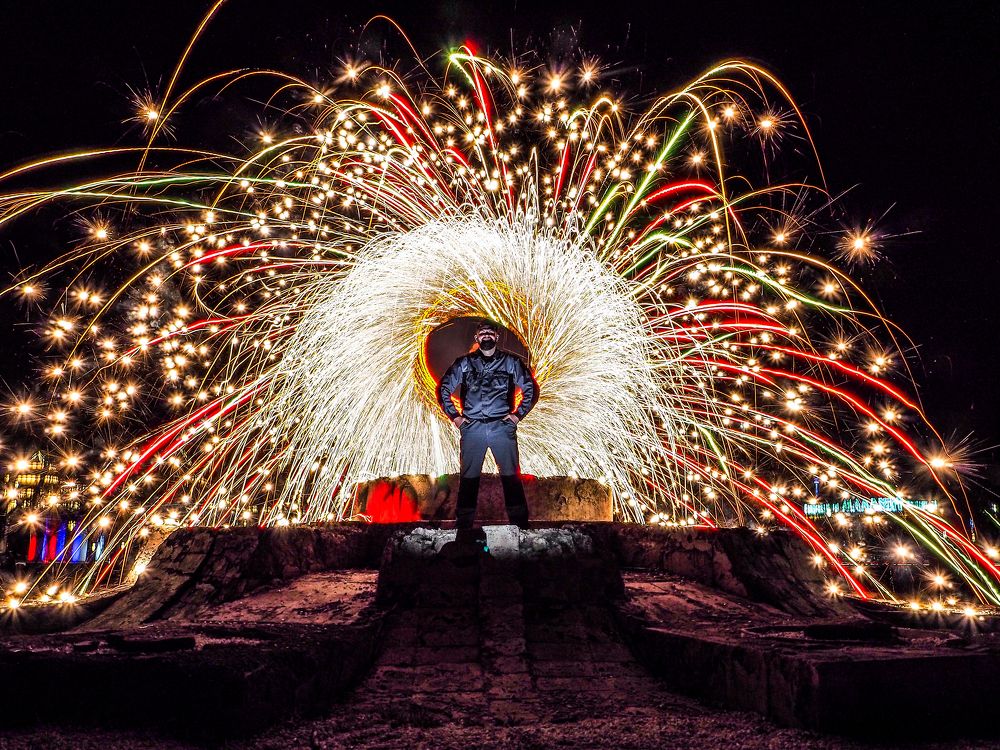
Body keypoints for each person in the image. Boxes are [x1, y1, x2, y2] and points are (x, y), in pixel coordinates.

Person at [437, 321, 538, 532]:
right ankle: (463, 528)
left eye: (490, 333)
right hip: (472, 429)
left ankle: (520, 526)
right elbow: (444, 388)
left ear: (496, 337)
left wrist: (517, 416)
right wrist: (456, 418)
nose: (486, 336)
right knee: (468, 479)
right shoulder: (464, 364)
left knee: (511, 477)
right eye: (482, 333)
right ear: (477, 338)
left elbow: (531, 389)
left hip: (502, 428)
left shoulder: (510, 363)